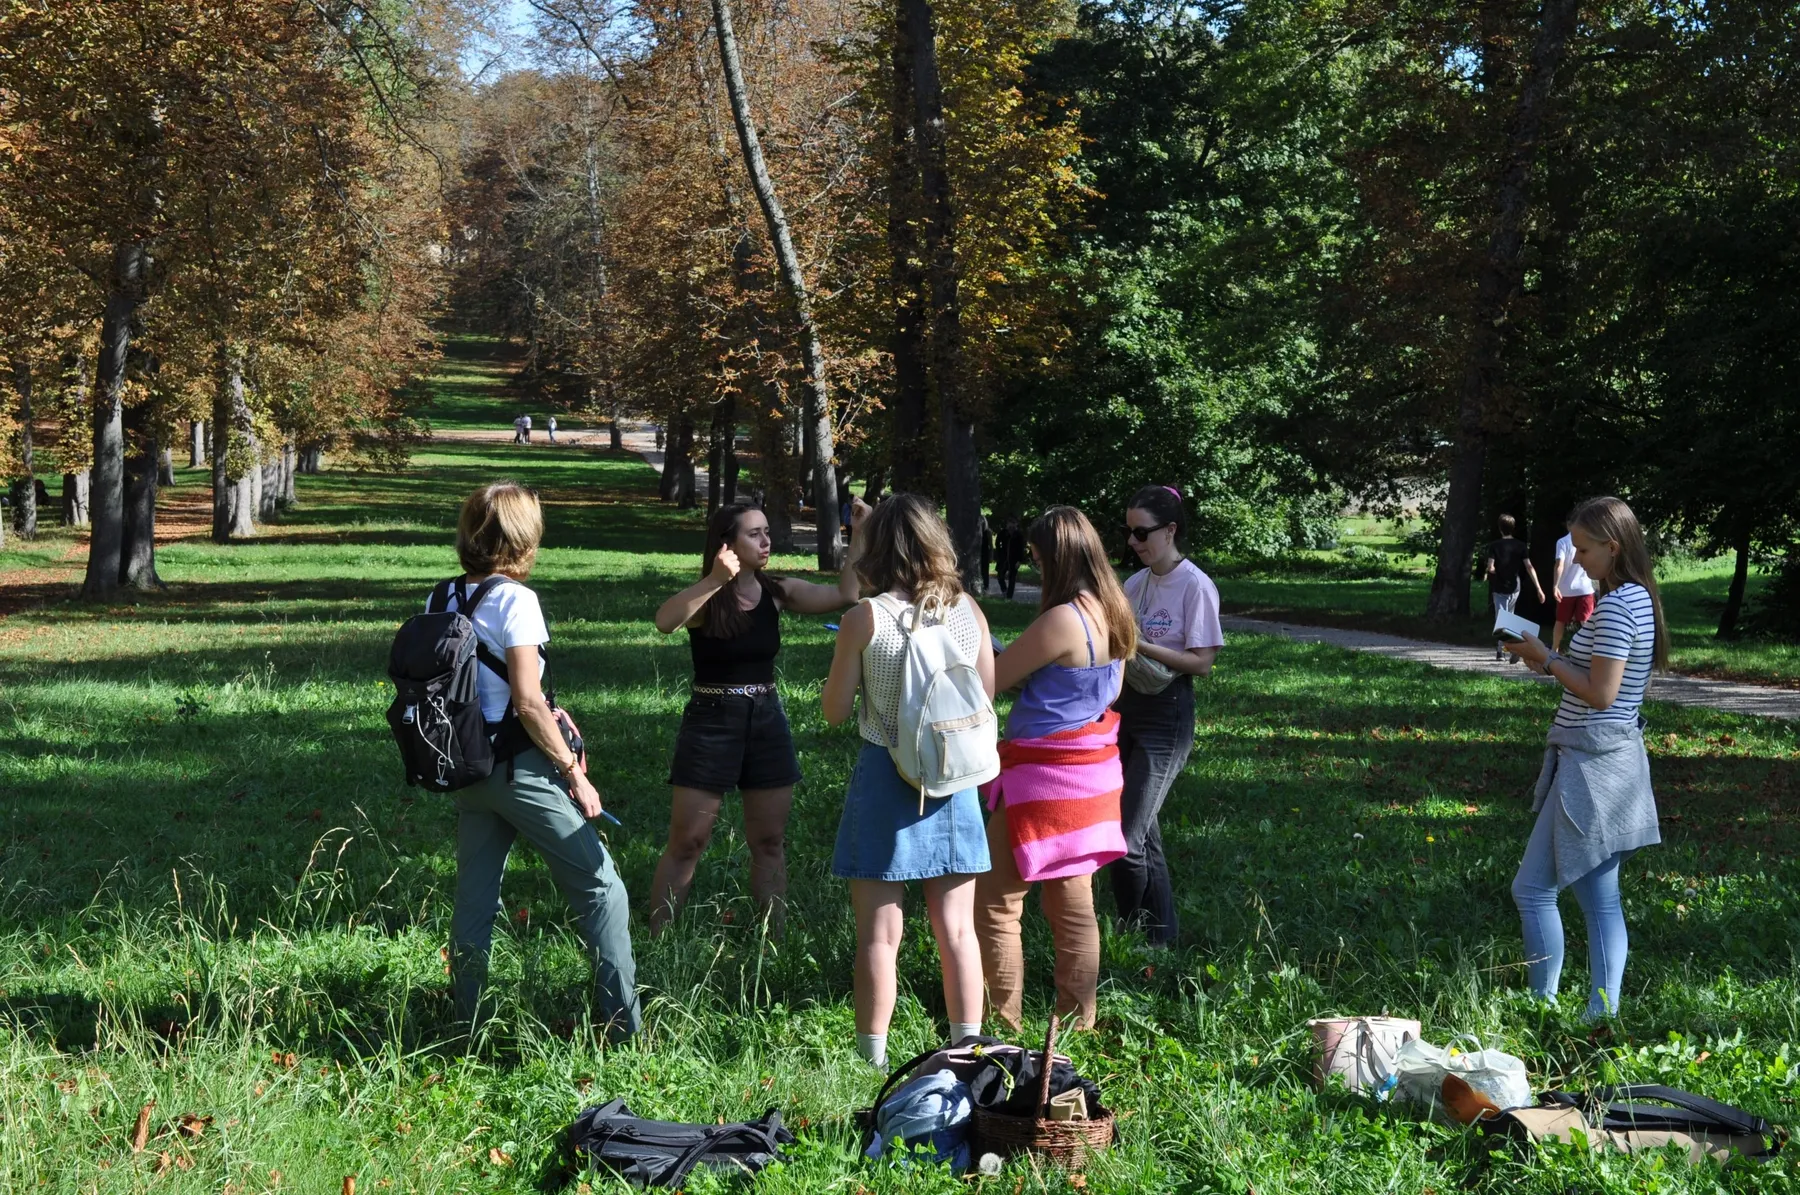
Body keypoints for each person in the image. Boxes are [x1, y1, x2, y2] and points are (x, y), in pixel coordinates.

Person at [437, 482, 640, 1040]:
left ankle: (466, 1022)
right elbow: (525, 701)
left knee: (475, 898)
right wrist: (575, 776)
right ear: (523, 535)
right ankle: (623, 1030)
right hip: (517, 771)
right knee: (603, 887)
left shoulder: (441, 596)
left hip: (464, 767)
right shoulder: (515, 600)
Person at [821, 493, 997, 1068]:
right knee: (958, 931)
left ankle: (871, 1060)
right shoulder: (969, 612)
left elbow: (835, 710)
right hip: (954, 776)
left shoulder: (864, 618)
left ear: (875, 549)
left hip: (885, 775)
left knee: (879, 937)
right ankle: (967, 1052)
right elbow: (985, 696)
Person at [649, 499, 869, 934]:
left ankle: (775, 938)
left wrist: (857, 535)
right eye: (755, 533)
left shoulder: (777, 591)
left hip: (766, 720)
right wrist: (715, 579)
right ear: (726, 543)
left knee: (769, 842)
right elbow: (665, 621)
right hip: (711, 721)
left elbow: (847, 595)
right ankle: (659, 940)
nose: (766, 541)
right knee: (688, 841)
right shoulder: (707, 597)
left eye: (767, 531)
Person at [1504, 496, 1665, 1020]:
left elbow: (1601, 694)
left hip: (1597, 768)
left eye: (1583, 550)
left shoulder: (1618, 606)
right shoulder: (1634, 597)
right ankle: (1562, 1012)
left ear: (1612, 547)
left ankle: (1591, 1018)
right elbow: (1593, 682)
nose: (1575, 561)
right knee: (1543, 890)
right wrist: (1545, 658)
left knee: (1575, 898)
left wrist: (1548, 657)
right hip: (1602, 761)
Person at [975, 506, 1132, 1031]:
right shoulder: (1115, 609)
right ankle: (1079, 1019)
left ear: (1058, 558)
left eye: (1039, 560)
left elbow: (991, 681)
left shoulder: (1064, 618)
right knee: (1073, 906)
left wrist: (977, 638)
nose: (1036, 570)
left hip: (1045, 782)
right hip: (1092, 778)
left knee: (997, 902)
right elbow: (1078, 688)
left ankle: (1002, 1021)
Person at [1109, 485, 1222, 947]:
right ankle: (1161, 939)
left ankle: (1128, 935)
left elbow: (1201, 662)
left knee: (1125, 840)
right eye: (1128, 533)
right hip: (1127, 709)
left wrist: (1141, 644)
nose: (1133, 542)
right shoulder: (1135, 584)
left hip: (1167, 716)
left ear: (1170, 529)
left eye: (1142, 533)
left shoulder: (1195, 585)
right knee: (1143, 832)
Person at [1484, 514, 1546, 660]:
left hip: (1499, 587)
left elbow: (1490, 567)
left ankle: (1503, 651)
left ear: (1500, 528)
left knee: (1501, 619)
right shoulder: (1521, 546)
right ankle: (1512, 650)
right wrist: (1539, 588)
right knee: (1509, 619)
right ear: (1513, 528)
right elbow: (1529, 567)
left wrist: (1493, 570)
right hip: (1515, 587)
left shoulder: (1494, 546)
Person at [1551, 515, 1596, 653]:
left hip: (1566, 589)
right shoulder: (1588, 540)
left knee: (1560, 621)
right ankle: (1590, 651)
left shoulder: (1562, 542)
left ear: (1569, 524)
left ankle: (1554, 650)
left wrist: (1555, 585)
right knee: (1586, 622)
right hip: (1585, 588)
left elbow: (1559, 565)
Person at [994, 515, 1026, 600]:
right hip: (1003, 559)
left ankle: (1009, 597)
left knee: (1012, 579)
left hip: (1014, 559)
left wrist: (1019, 560)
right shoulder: (1003, 533)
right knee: (1000, 576)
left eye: (1013, 523)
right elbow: (997, 543)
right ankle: (1004, 590)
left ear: (1016, 524)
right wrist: (999, 552)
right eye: (1010, 523)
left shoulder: (1019, 535)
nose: (1011, 525)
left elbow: (1021, 548)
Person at [978, 513, 994, 593]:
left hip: (985, 553)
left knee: (985, 571)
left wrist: (991, 556)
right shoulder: (976, 533)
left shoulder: (988, 532)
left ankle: (986, 587)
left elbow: (991, 545)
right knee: (979, 570)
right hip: (978, 553)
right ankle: (981, 586)